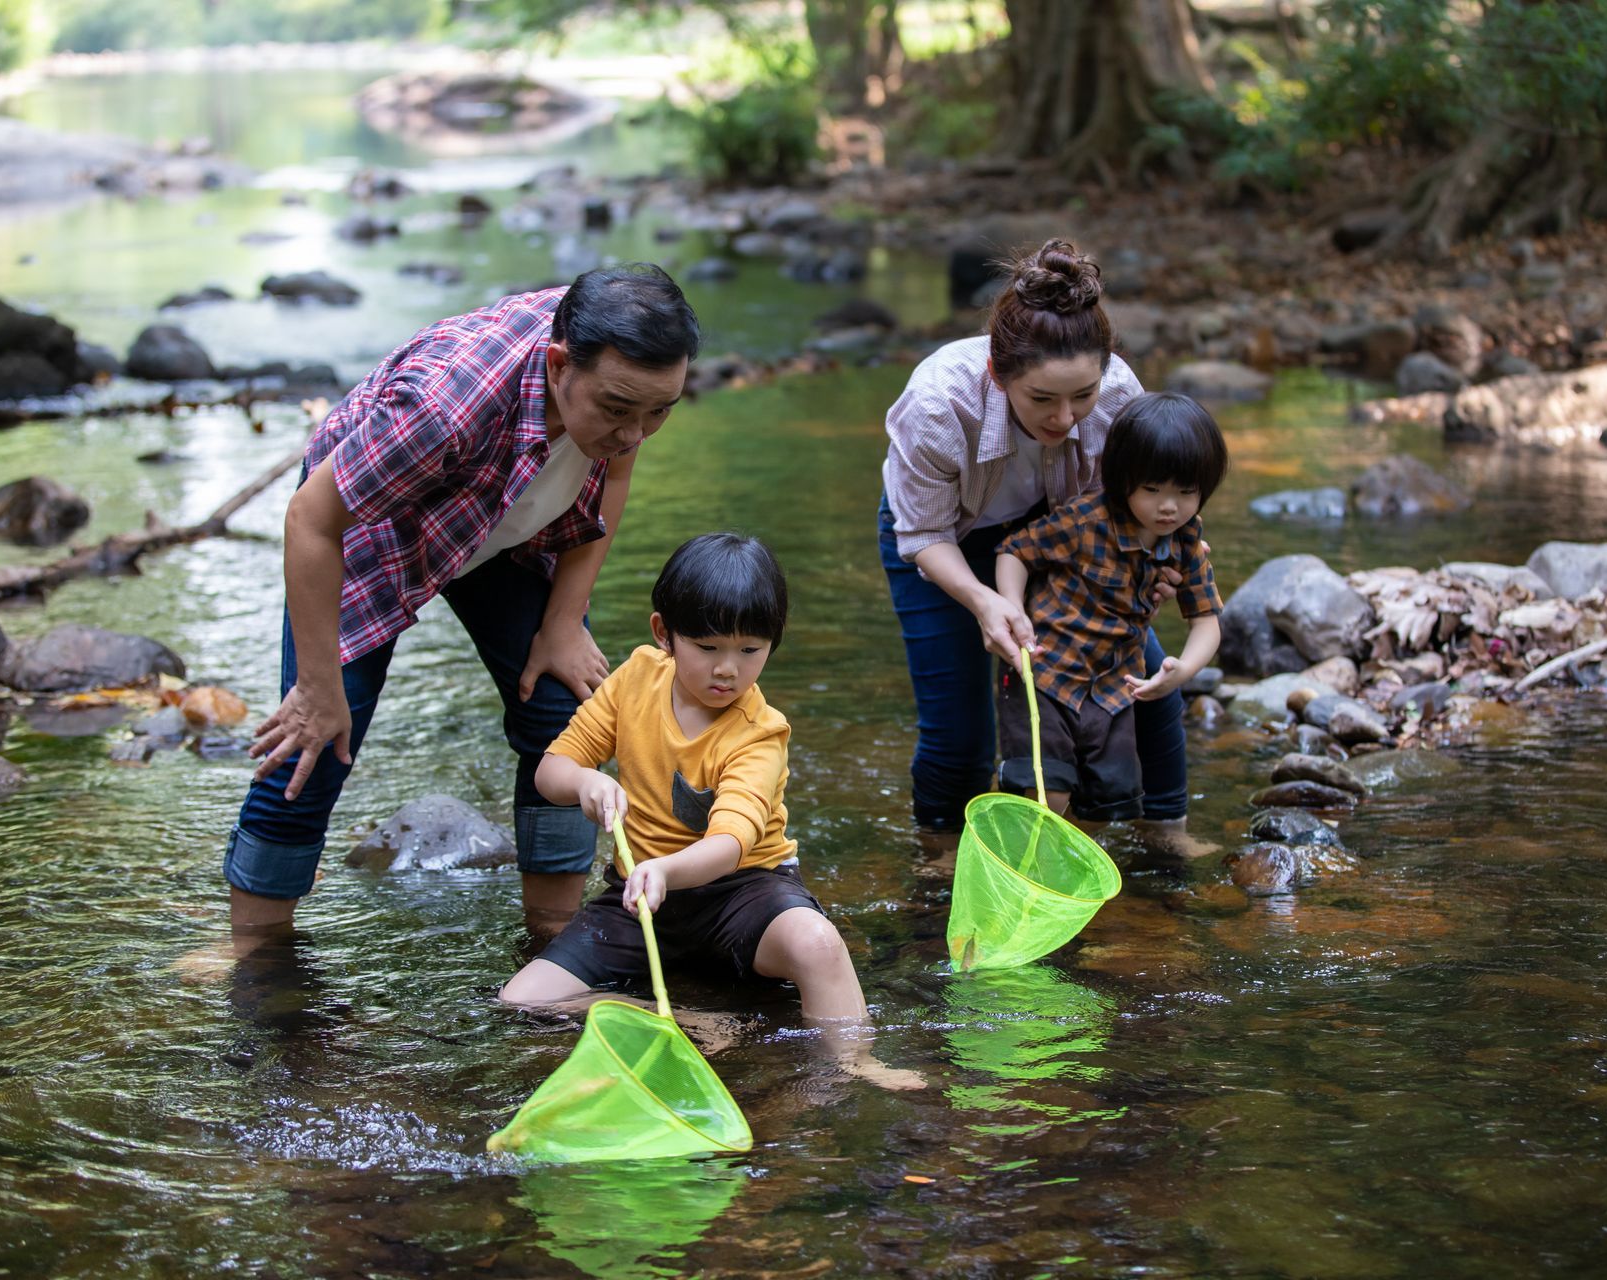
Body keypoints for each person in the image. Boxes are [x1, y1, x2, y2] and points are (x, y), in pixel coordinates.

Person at [225, 265, 699, 943]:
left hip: (508, 516)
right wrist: (317, 682)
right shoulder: (443, 409)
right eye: (621, 409)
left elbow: (614, 468)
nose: (638, 433)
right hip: (372, 523)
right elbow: (311, 518)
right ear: (560, 366)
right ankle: (255, 954)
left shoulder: (621, 388)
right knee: (317, 736)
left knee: (564, 716)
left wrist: (564, 621)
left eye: (661, 411)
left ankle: (555, 938)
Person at [500, 533, 923, 1089]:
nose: (728, 670)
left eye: (750, 651)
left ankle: (854, 1062)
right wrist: (585, 782)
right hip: (640, 896)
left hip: (745, 893)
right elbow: (550, 771)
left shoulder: (759, 733)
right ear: (665, 635)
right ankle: (691, 1020)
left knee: (817, 944)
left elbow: (731, 844)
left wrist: (665, 870)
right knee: (520, 1001)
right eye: (707, 647)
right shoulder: (634, 680)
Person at [878, 238, 1192, 834]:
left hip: (1064, 539)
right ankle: (939, 861)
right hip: (943, 540)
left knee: (1143, 678)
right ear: (999, 375)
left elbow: (1132, 511)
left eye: (1083, 396)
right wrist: (985, 601)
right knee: (959, 725)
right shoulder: (938, 404)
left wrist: (1157, 565)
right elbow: (921, 534)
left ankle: (1165, 834)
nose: (1065, 418)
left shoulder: (1121, 399)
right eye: (1042, 399)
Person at [994, 393, 1226, 819]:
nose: (1168, 506)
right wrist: (1012, 610)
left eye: (1186, 492)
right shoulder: (1086, 521)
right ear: (1124, 481)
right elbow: (1015, 551)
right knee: (1047, 789)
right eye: (1152, 490)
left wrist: (1182, 671)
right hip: (1046, 671)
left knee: (1112, 799)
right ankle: (1030, 872)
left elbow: (1207, 621)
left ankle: (1085, 879)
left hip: (1113, 687)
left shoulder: (1187, 541)